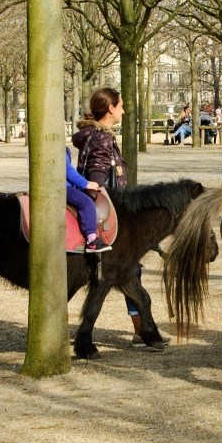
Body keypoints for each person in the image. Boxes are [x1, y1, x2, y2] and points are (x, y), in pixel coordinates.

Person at [73, 88, 162, 347]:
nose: (123, 109)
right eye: (121, 105)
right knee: (129, 270)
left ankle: (142, 328)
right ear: (111, 108)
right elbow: (98, 182)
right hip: (113, 215)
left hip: (115, 211)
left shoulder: (95, 135)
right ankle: (141, 330)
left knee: (132, 272)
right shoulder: (102, 139)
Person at [64, 147, 112, 253]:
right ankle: (91, 240)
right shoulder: (56, 147)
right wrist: (86, 184)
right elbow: (67, 170)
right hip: (61, 187)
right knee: (86, 203)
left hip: (62, 184)